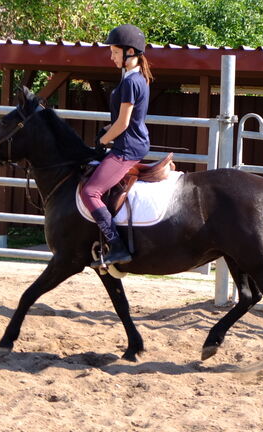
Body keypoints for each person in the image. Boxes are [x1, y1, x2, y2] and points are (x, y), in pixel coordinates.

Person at [80, 24, 153, 268]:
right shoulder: (133, 77)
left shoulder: (132, 82)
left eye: (114, 52)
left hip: (127, 148)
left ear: (129, 52)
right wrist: (107, 132)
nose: (111, 56)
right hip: (127, 143)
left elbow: (122, 123)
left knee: (90, 191)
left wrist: (102, 140)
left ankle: (117, 246)